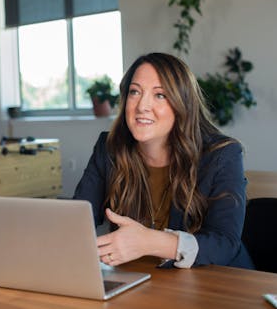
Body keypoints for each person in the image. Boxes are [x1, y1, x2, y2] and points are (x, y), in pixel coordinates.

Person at [73, 52, 254, 269]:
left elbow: (225, 244)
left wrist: (150, 242)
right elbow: (78, 219)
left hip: (214, 282)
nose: (142, 106)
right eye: (135, 92)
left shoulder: (222, 154)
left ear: (183, 103)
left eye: (160, 95)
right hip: (140, 280)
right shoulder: (109, 147)